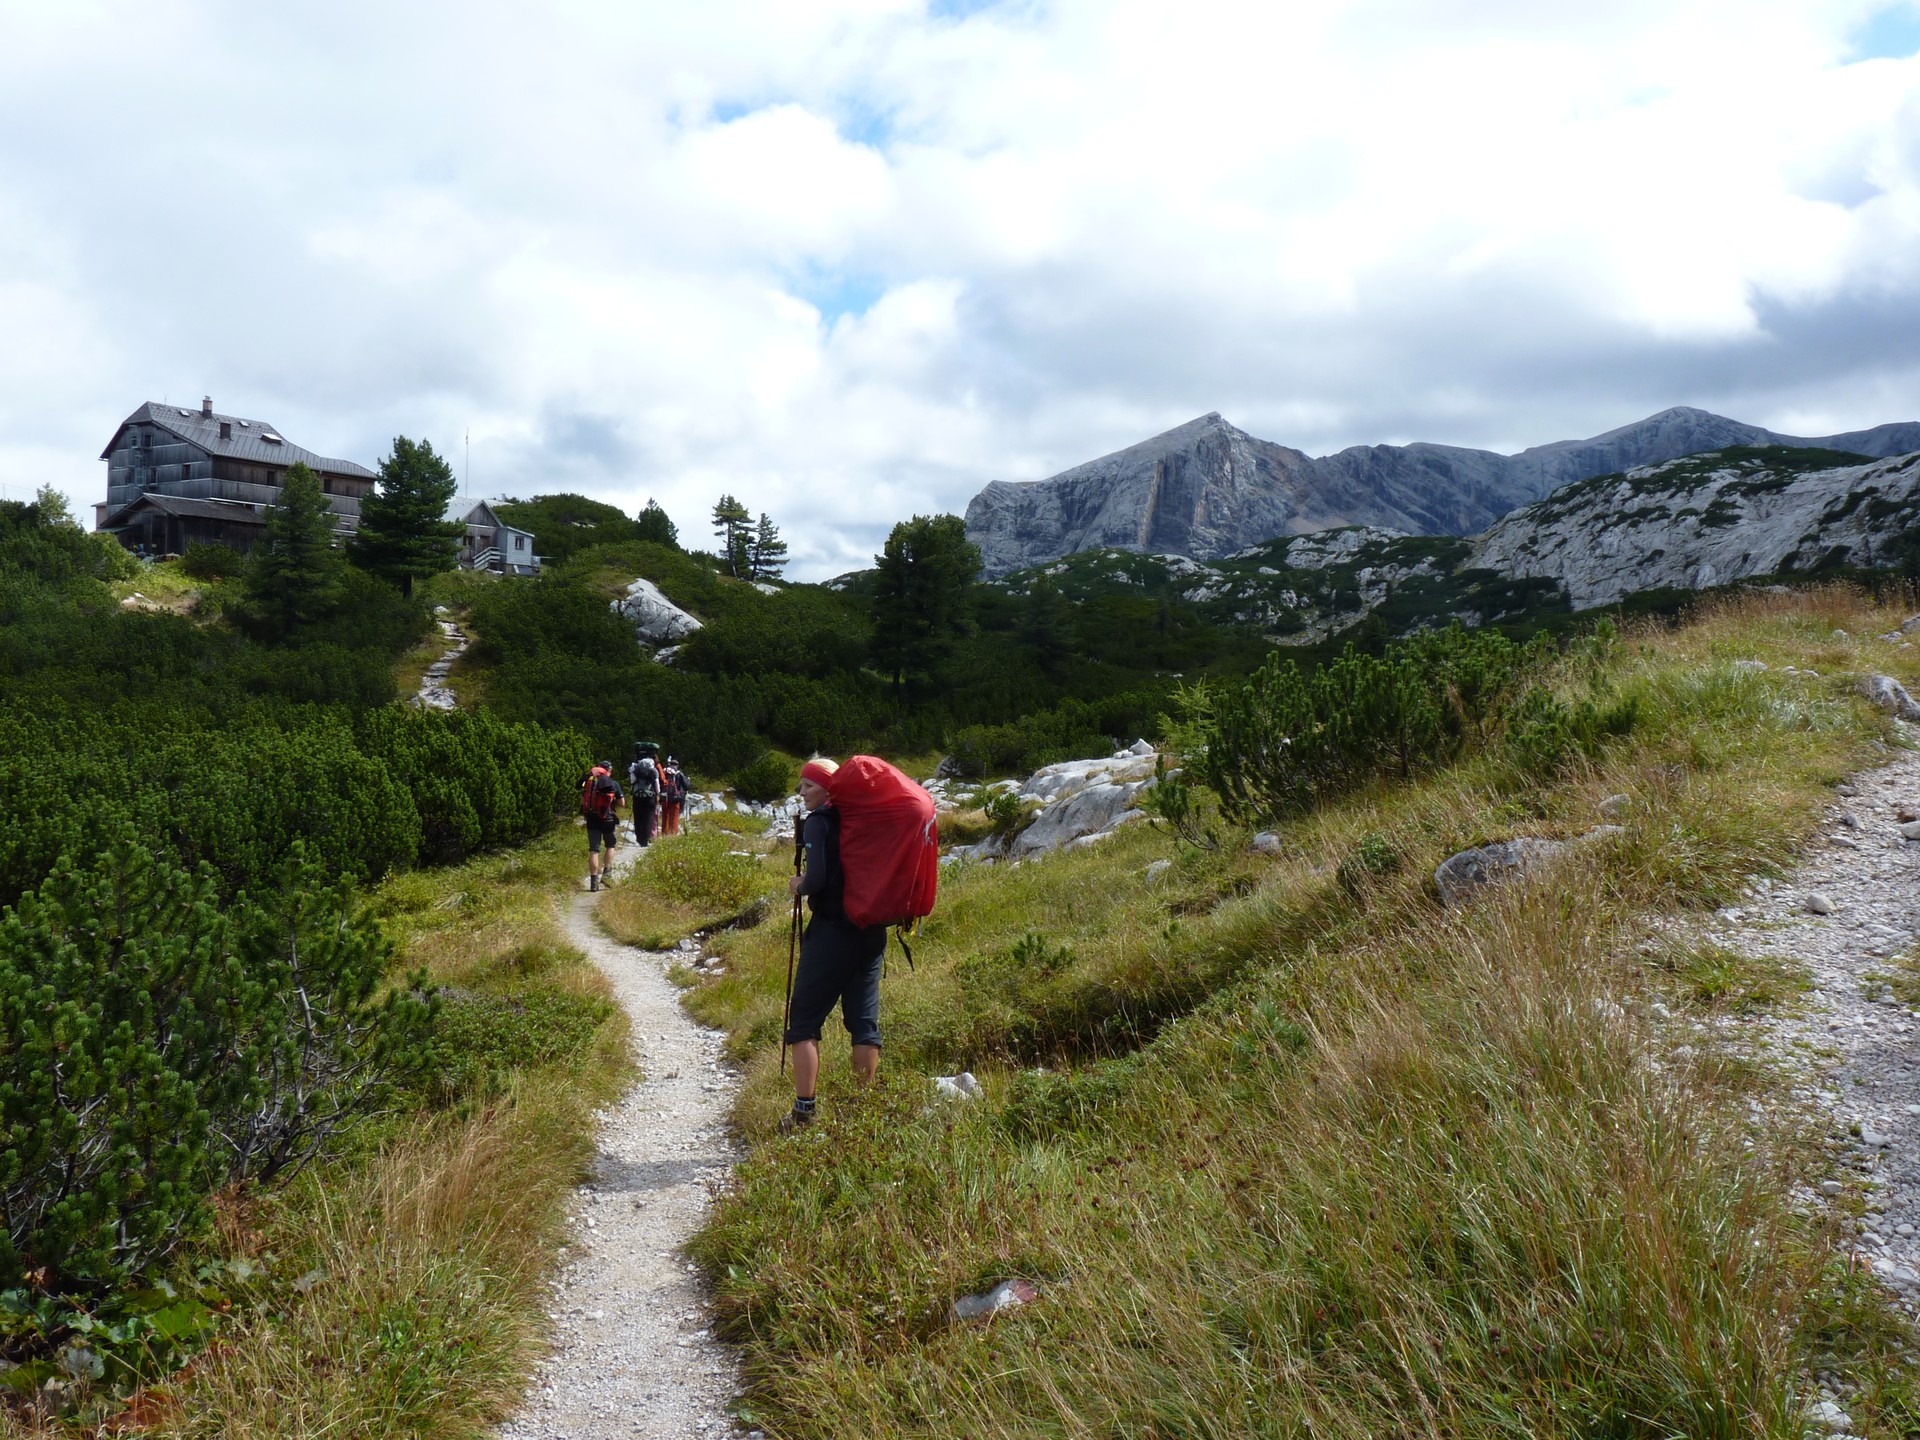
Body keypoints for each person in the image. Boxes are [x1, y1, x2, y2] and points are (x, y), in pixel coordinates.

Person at [781, 758, 887, 1131]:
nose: (802, 792)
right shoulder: (865, 819)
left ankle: (804, 1114)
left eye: (809, 785)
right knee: (863, 1023)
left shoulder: (819, 822)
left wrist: (800, 885)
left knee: (804, 1022)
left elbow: (818, 880)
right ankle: (861, 1113)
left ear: (829, 787)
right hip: (871, 931)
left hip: (831, 931)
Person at [579, 761, 624, 892]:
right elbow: (622, 803)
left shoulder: (589, 783)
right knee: (610, 845)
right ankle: (606, 875)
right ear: (609, 770)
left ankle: (593, 883)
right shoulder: (613, 783)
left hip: (592, 818)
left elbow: (583, 801)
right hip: (607, 819)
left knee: (594, 849)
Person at [628, 742, 661, 847]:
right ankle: (645, 840)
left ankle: (639, 838)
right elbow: (657, 786)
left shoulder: (636, 768)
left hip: (637, 796)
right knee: (648, 817)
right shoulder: (653, 770)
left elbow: (632, 780)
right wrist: (658, 794)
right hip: (650, 797)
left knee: (638, 817)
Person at [660, 757, 686, 836]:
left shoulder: (664, 771)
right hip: (675, 797)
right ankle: (673, 833)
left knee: (665, 815)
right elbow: (686, 785)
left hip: (664, 796)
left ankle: (664, 833)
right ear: (677, 765)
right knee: (674, 816)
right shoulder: (678, 773)